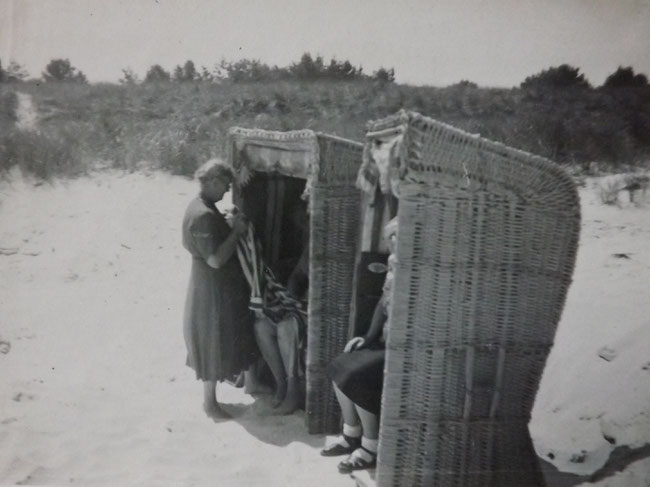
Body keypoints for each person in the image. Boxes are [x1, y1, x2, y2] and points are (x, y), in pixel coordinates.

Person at [182, 158, 258, 421]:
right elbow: (215, 259)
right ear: (212, 181)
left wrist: (223, 225)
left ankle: (211, 401)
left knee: (214, 338)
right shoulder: (203, 214)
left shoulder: (202, 207)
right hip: (210, 288)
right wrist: (235, 231)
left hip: (207, 286)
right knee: (212, 339)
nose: (227, 190)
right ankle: (210, 404)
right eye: (225, 184)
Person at [321, 217, 398, 473]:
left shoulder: (420, 274)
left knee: (358, 376)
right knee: (339, 365)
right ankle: (351, 433)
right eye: (391, 238)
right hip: (385, 342)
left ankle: (370, 446)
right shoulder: (395, 264)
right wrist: (368, 336)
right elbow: (382, 303)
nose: (393, 243)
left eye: (399, 237)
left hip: (404, 349)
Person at [235, 216, 309, 415]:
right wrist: (292, 297)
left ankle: (293, 389)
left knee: (286, 327)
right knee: (261, 326)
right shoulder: (310, 250)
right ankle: (281, 383)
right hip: (300, 306)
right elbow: (297, 276)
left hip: (318, 314)